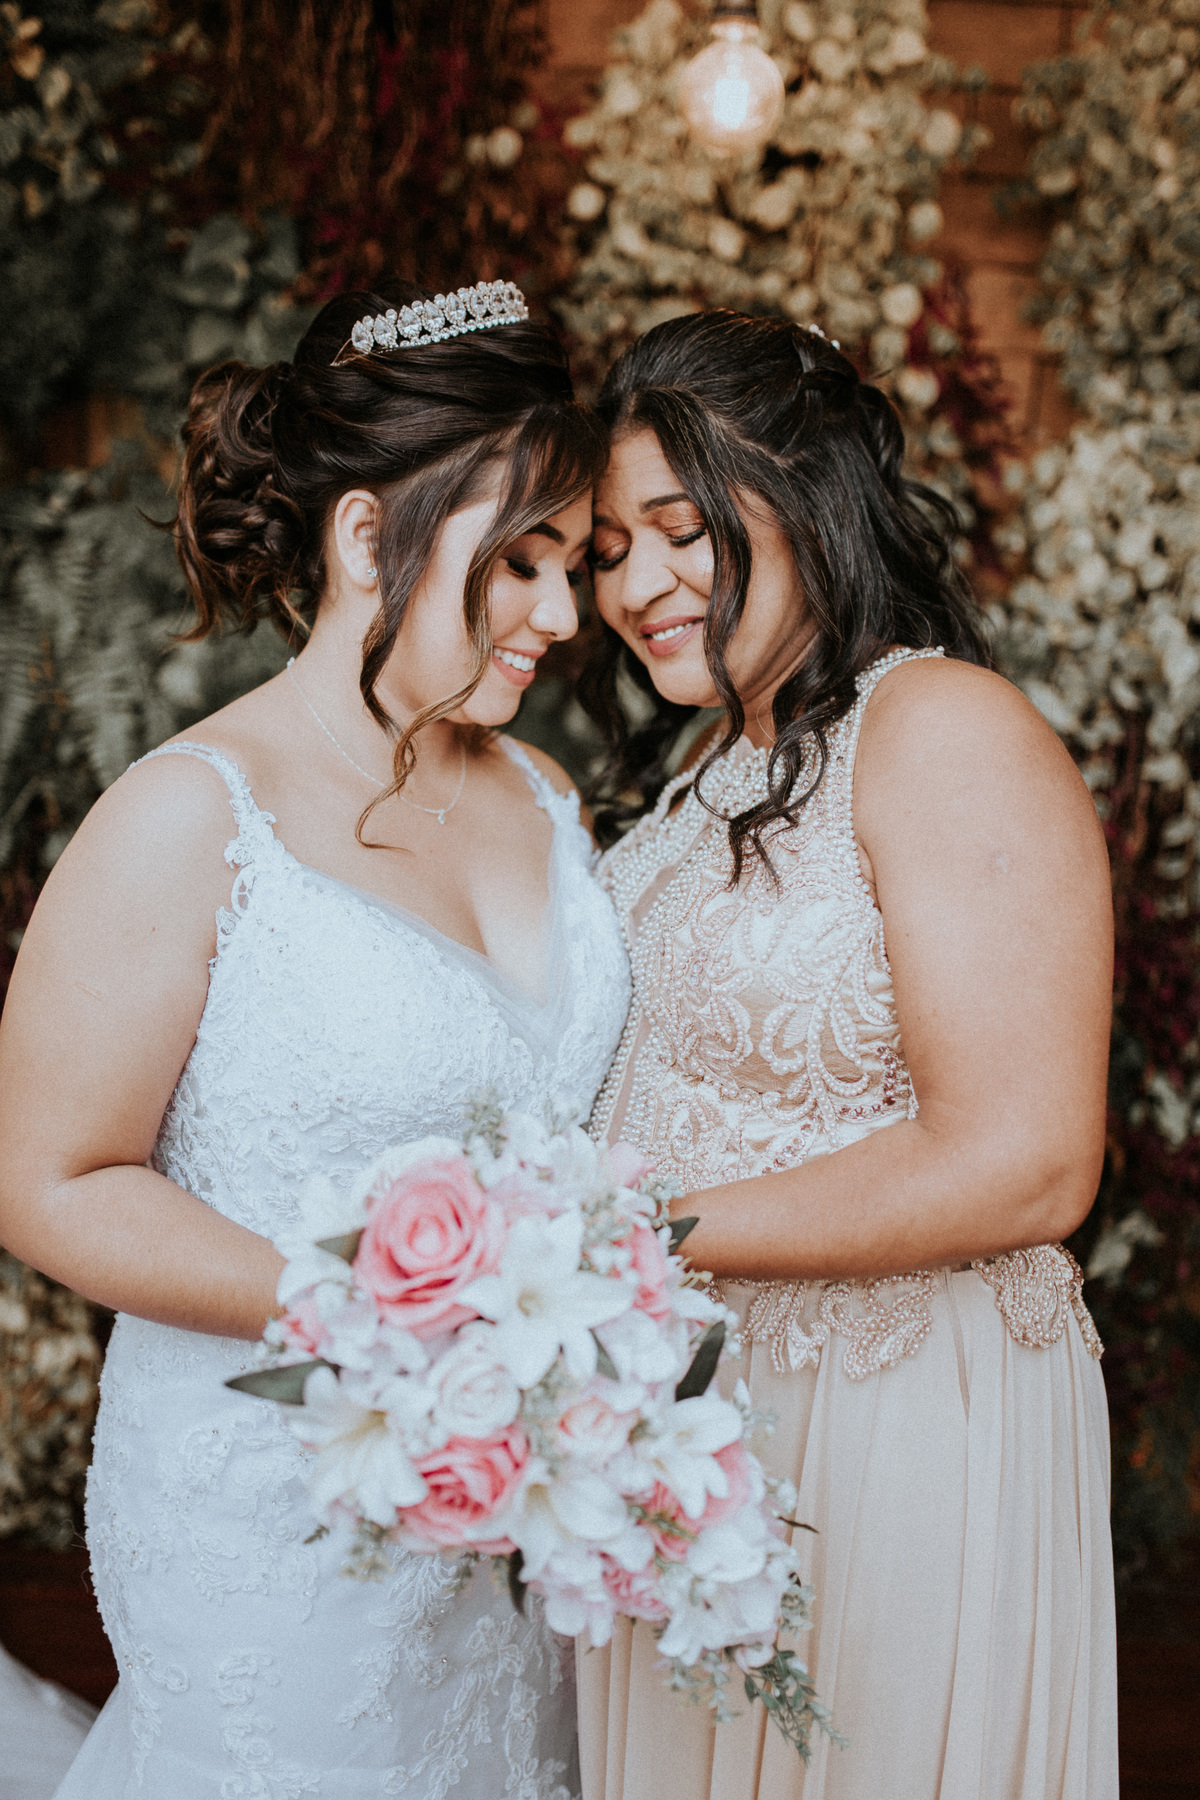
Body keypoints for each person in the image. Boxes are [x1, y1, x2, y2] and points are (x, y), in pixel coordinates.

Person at [0, 280, 630, 1798]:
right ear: (364, 537)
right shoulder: (186, 818)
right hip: (276, 1519)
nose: (563, 616)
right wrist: (369, 1311)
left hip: (513, 1523)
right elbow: (47, 1179)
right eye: (521, 562)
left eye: (573, 566)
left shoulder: (545, 795)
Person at [574, 310, 1117, 1800]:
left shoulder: (941, 727)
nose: (635, 584)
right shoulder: (709, 766)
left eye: (680, 530)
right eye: (609, 549)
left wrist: (623, 1234)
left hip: (887, 1426)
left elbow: (1027, 1161)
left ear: (806, 495)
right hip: (700, 1423)